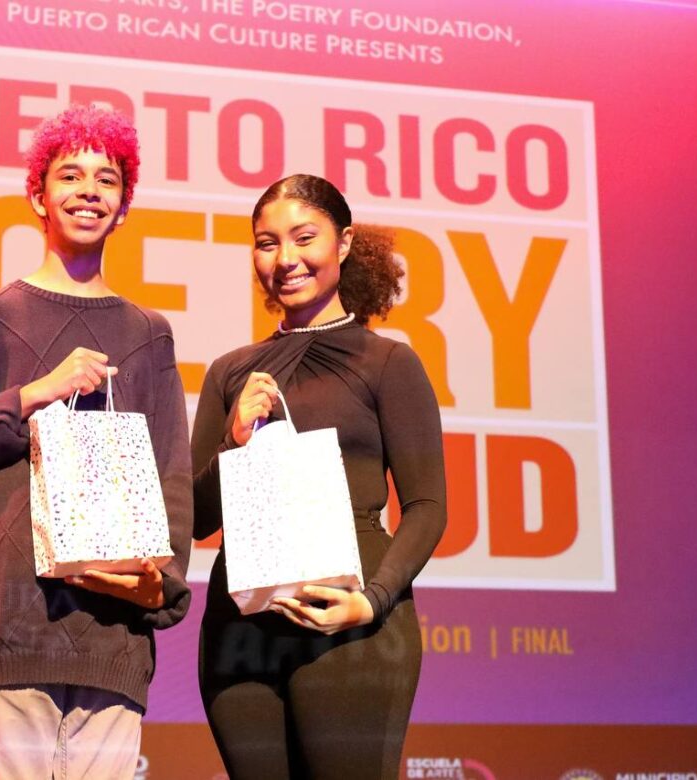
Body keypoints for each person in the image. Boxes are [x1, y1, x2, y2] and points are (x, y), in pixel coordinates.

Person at [0, 104, 193, 780]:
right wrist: (31, 395)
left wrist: (160, 586)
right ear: (37, 195)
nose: (89, 189)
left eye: (107, 179)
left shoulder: (150, 334)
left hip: (112, 637)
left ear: (124, 206)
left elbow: (171, 472)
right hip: (7, 627)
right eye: (70, 174)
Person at [190, 174, 447, 780]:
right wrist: (233, 441)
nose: (286, 259)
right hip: (242, 631)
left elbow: (428, 505)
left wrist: (371, 601)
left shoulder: (387, 361)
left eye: (304, 238)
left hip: (352, 623)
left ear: (345, 242)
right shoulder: (231, 373)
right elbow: (198, 519)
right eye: (266, 242)